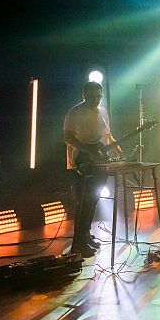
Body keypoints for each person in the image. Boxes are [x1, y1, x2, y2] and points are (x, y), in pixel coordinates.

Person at [63, 81, 121, 259]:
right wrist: (89, 151)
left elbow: (107, 134)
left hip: (100, 163)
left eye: (99, 96)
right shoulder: (74, 113)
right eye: (92, 96)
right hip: (82, 163)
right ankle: (79, 243)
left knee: (93, 200)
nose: (96, 100)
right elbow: (67, 137)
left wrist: (116, 148)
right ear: (84, 95)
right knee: (84, 203)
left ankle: (86, 236)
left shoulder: (103, 111)